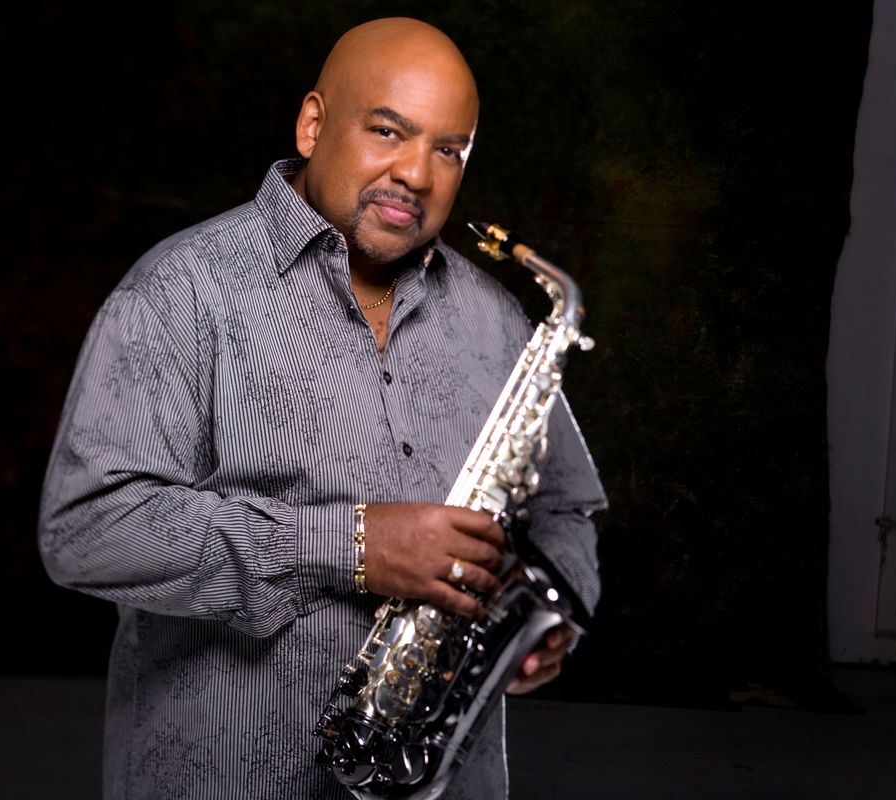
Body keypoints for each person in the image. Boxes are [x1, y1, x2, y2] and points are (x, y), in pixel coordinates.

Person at [39, 17, 606, 799]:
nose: (417, 174)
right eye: (388, 131)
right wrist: (353, 545)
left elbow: (568, 507)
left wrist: (550, 612)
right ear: (313, 125)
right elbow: (86, 531)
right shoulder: (179, 292)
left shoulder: (496, 318)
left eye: (449, 150)